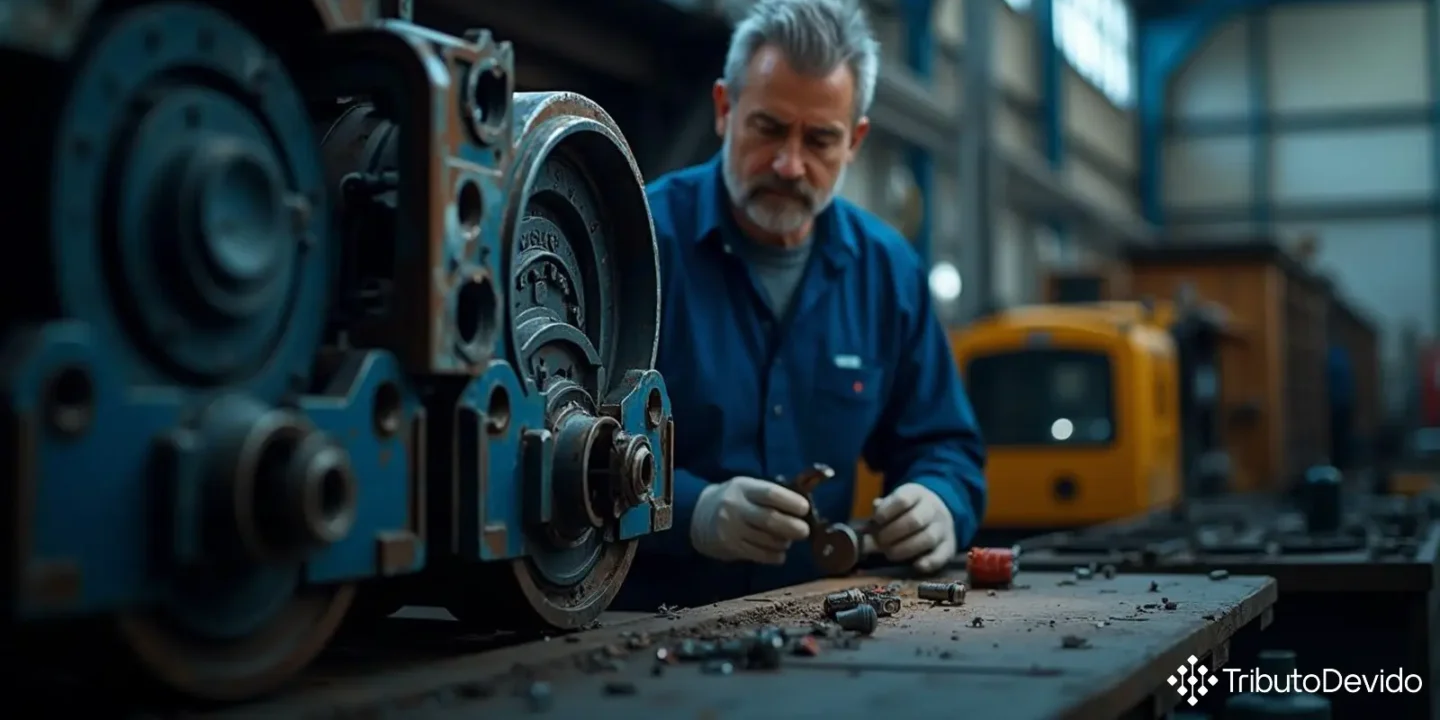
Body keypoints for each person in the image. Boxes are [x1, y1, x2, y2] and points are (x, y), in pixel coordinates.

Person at [612, 0, 987, 610]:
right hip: (634, 625)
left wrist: (940, 500)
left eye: (819, 140)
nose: (790, 165)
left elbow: (944, 445)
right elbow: (562, 447)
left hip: (819, 627)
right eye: (768, 128)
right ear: (724, 109)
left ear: (855, 141)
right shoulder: (633, 242)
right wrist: (690, 511)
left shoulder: (888, 273)